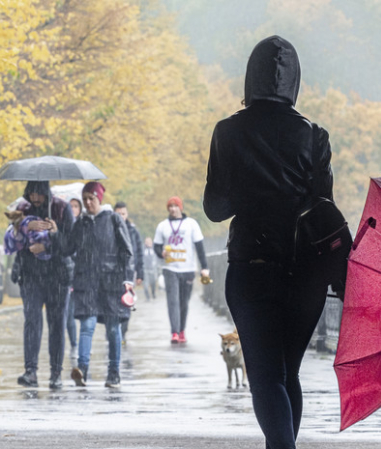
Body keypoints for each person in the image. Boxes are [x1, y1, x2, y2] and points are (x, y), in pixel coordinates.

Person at [202, 36, 333, 449]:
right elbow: (324, 206)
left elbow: (215, 208)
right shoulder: (314, 135)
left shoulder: (227, 132)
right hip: (305, 272)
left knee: (264, 376)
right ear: (294, 81)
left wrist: (247, 188)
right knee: (287, 372)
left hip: (252, 266)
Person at [64, 182, 134, 388]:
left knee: (113, 328)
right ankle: (82, 370)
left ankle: (114, 372)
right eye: (84, 198)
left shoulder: (113, 219)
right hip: (86, 281)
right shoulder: (80, 224)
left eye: (91, 198)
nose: (87, 202)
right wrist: (56, 230)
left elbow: (127, 250)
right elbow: (67, 248)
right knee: (87, 326)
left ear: (99, 199)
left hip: (111, 282)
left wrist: (127, 278)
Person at [12, 181, 74, 390]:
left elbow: (69, 246)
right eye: (31, 193)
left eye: (39, 193)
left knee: (57, 324)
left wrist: (51, 238)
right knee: (32, 321)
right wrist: (22, 227)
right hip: (30, 275)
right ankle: (31, 370)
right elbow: (12, 242)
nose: (35, 198)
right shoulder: (22, 209)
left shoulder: (61, 208)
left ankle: (56, 372)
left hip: (57, 275)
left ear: (46, 192)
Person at [153, 196, 209, 344]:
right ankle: (174, 332)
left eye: (175, 206)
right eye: (170, 206)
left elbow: (200, 247)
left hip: (188, 269)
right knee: (172, 301)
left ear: (181, 207)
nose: (173, 209)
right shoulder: (162, 226)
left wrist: (204, 267)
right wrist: (161, 253)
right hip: (170, 268)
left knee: (184, 302)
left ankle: (182, 330)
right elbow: (157, 246)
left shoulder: (191, 224)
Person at [114, 201, 143, 343]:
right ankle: (114, 332)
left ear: (127, 214)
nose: (121, 216)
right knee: (114, 303)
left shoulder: (133, 230)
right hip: (112, 272)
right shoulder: (109, 229)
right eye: (118, 214)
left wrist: (140, 273)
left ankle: (122, 333)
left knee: (127, 303)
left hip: (130, 273)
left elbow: (139, 252)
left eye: (123, 214)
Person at [65, 196, 84, 364]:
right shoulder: (63, 227)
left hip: (81, 276)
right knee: (68, 313)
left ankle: (82, 345)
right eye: (69, 206)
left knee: (84, 313)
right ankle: (74, 343)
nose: (72, 209)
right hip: (66, 276)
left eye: (76, 206)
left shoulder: (84, 227)